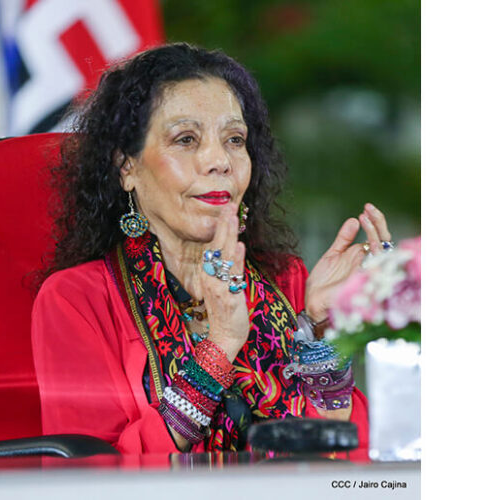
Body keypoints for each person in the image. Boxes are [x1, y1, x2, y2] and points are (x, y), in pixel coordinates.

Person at [31, 43, 394, 457]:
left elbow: (348, 453)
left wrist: (322, 332)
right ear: (126, 166)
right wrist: (219, 349)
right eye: (186, 139)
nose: (219, 160)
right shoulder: (76, 300)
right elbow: (92, 472)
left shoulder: (286, 279)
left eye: (234, 140)